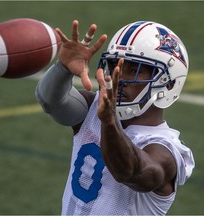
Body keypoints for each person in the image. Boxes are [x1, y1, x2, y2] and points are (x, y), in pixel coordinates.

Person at [35, 20, 195, 215]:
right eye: (116, 65)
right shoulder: (93, 109)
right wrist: (63, 68)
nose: (121, 76)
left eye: (135, 69)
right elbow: (51, 102)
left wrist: (109, 121)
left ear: (168, 84)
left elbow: (130, 171)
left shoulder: (166, 151)